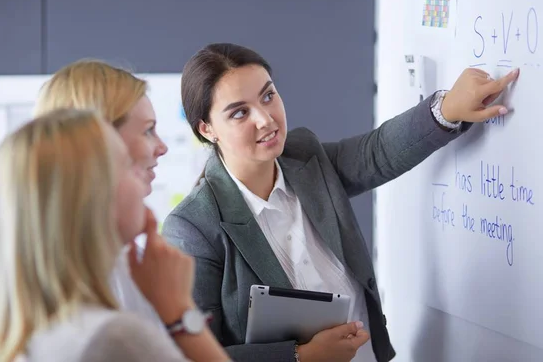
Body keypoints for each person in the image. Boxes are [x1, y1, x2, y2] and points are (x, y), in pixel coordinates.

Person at [161, 43, 519, 362]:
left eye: (268, 95)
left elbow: (376, 153)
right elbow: (193, 351)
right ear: (206, 128)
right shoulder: (194, 226)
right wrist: (300, 357)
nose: (265, 119)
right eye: (239, 113)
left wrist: (447, 110)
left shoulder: (305, 156)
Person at [32, 60, 229, 361]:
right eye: (148, 131)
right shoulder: (101, 317)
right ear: (99, 145)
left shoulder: (114, 264)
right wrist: (180, 313)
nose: (161, 147)